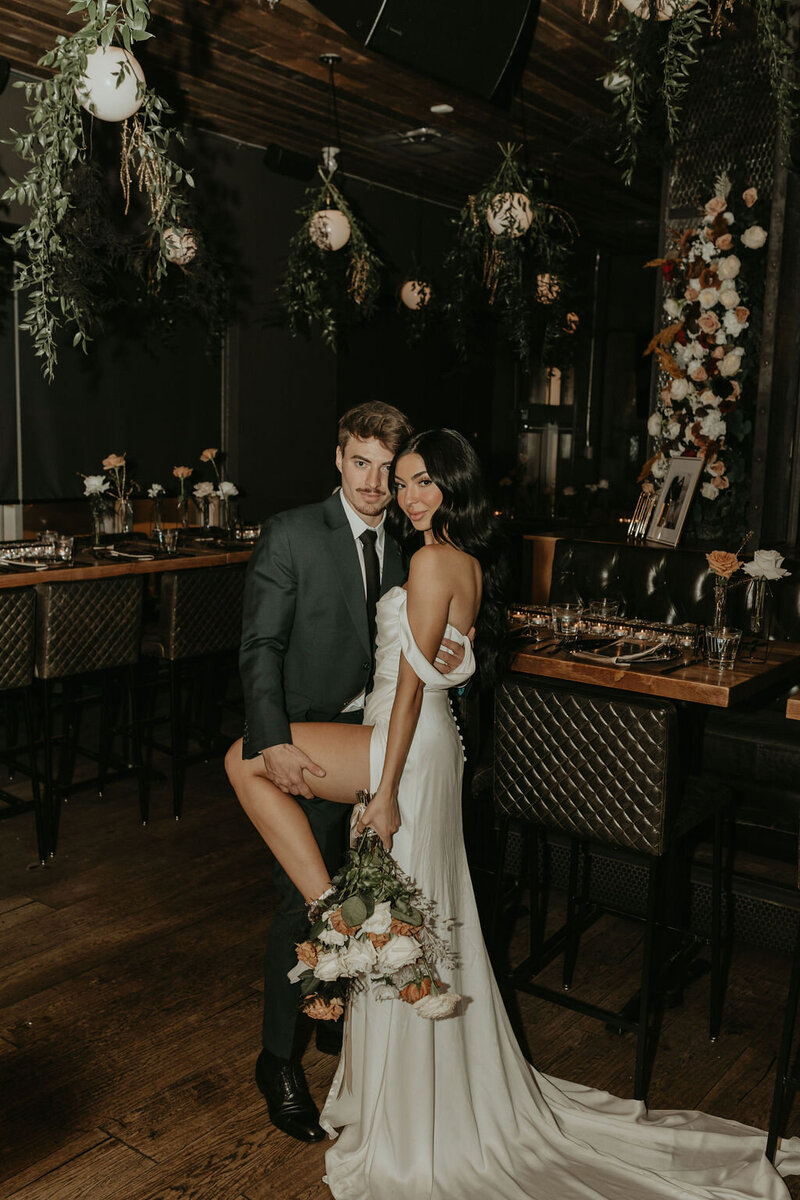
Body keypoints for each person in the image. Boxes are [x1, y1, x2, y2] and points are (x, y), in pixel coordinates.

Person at [228, 428, 800, 1200]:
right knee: (411, 905)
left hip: (405, 745)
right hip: (423, 742)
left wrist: (385, 790)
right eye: (401, 482)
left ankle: (331, 913)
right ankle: (340, 922)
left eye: (424, 480)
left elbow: (408, 688)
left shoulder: (430, 559)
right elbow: (444, 672)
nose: (408, 494)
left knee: (248, 762)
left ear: (455, 485)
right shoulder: (460, 559)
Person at [233, 402, 466, 1144]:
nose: (373, 483)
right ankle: (278, 1061)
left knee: (365, 885)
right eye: (359, 463)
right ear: (338, 459)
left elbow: (421, 652)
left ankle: (339, 1023)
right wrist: (269, 742)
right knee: (298, 906)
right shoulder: (292, 532)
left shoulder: (410, 547)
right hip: (304, 751)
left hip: (380, 751)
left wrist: (456, 664)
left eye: (386, 471)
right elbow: (260, 647)